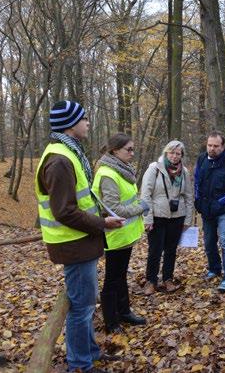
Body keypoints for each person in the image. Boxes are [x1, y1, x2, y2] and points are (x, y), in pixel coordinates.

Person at [35, 100, 124, 373]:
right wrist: (101, 223)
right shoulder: (60, 160)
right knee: (82, 308)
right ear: (71, 124)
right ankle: (81, 365)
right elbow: (64, 211)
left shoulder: (68, 153)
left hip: (81, 242)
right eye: (84, 119)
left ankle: (90, 354)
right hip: (72, 243)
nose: (88, 123)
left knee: (85, 304)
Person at [92, 133, 148, 334]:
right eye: (129, 149)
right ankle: (111, 321)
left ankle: (124, 312)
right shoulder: (108, 174)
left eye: (133, 149)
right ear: (115, 151)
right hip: (114, 234)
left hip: (126, 234)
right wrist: (140, 207)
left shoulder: (122, 169)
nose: (132, 153)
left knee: (121, 275)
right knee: (112, 278)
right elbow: (114, 209)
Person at [194, 131, 225, 292]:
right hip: (206, 209)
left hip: (224, 210)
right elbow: (196, 180)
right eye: (210, 145)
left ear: (222, 147)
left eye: (216, 146)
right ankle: (214, 268)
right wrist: (197, 199)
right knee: (209, 242)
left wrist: (221, 201)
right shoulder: (202, 159)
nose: (212, 148)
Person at [141, 140, 194, 295]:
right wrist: (148, 218)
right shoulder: (154, 169)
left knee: (171, 250)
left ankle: (168, 279)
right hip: (158, 216)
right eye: (171, 152)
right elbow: (145, 195)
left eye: (178, 153)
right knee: (155, 251)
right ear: (166, 152)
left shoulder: (184, 171)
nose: (174, 156)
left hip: (177, 216)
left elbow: (189, 196)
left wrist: (188, 220)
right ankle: (151, 281)